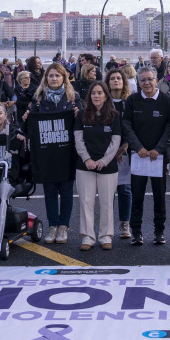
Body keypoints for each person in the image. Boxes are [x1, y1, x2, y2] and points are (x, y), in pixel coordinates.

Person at [25, 63, 79, 244]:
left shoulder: (73, 98)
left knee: (66, 191)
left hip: (67, 153)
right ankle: (52, 225)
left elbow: (83, 125)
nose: (54, 78)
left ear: (64, 78)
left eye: (57, 75)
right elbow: (29, 128)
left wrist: (80, 114)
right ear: (45, 79)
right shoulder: (38, 100)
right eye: (51, 76)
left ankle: (64, 226)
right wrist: (26, 119)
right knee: (49, 192)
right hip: (46, 155)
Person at [124, 66, 170, 246]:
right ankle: (136, 232)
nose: (147, 83)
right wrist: (138, 147)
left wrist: (159, 149)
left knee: (159, 196)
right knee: (136, 196)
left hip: (158, 157)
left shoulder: (165, 100)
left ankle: (159, 231)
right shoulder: (132, 100)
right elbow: (127, 126)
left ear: (156, 80)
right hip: (138, 156)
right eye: (143, 80)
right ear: (138, 82)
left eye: (150, 79)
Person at [73, 82, 122, 251]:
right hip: (84, 165)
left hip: (107, 167)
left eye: (100, 93)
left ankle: (105, 236)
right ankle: (87, 236)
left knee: (106, 202)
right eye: (93, 93)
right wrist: (87, 159)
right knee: (86, 202)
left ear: (106, 95)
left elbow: (115, 142)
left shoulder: (115, 116)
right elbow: (78, 140)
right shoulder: (81, 115)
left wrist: (104, 161)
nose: (96, 96)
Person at [106, 69, 135, 243]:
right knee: (107, 192)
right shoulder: (103, 102)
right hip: (106, 152)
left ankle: (125, 223)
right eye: (112, 78)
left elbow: (134, 126)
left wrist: (125, 145)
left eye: (119, 78)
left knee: (125, 189)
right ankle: (106, 226)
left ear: (124, 82)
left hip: (125, 152)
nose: (116, 81)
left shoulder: (129, 102)